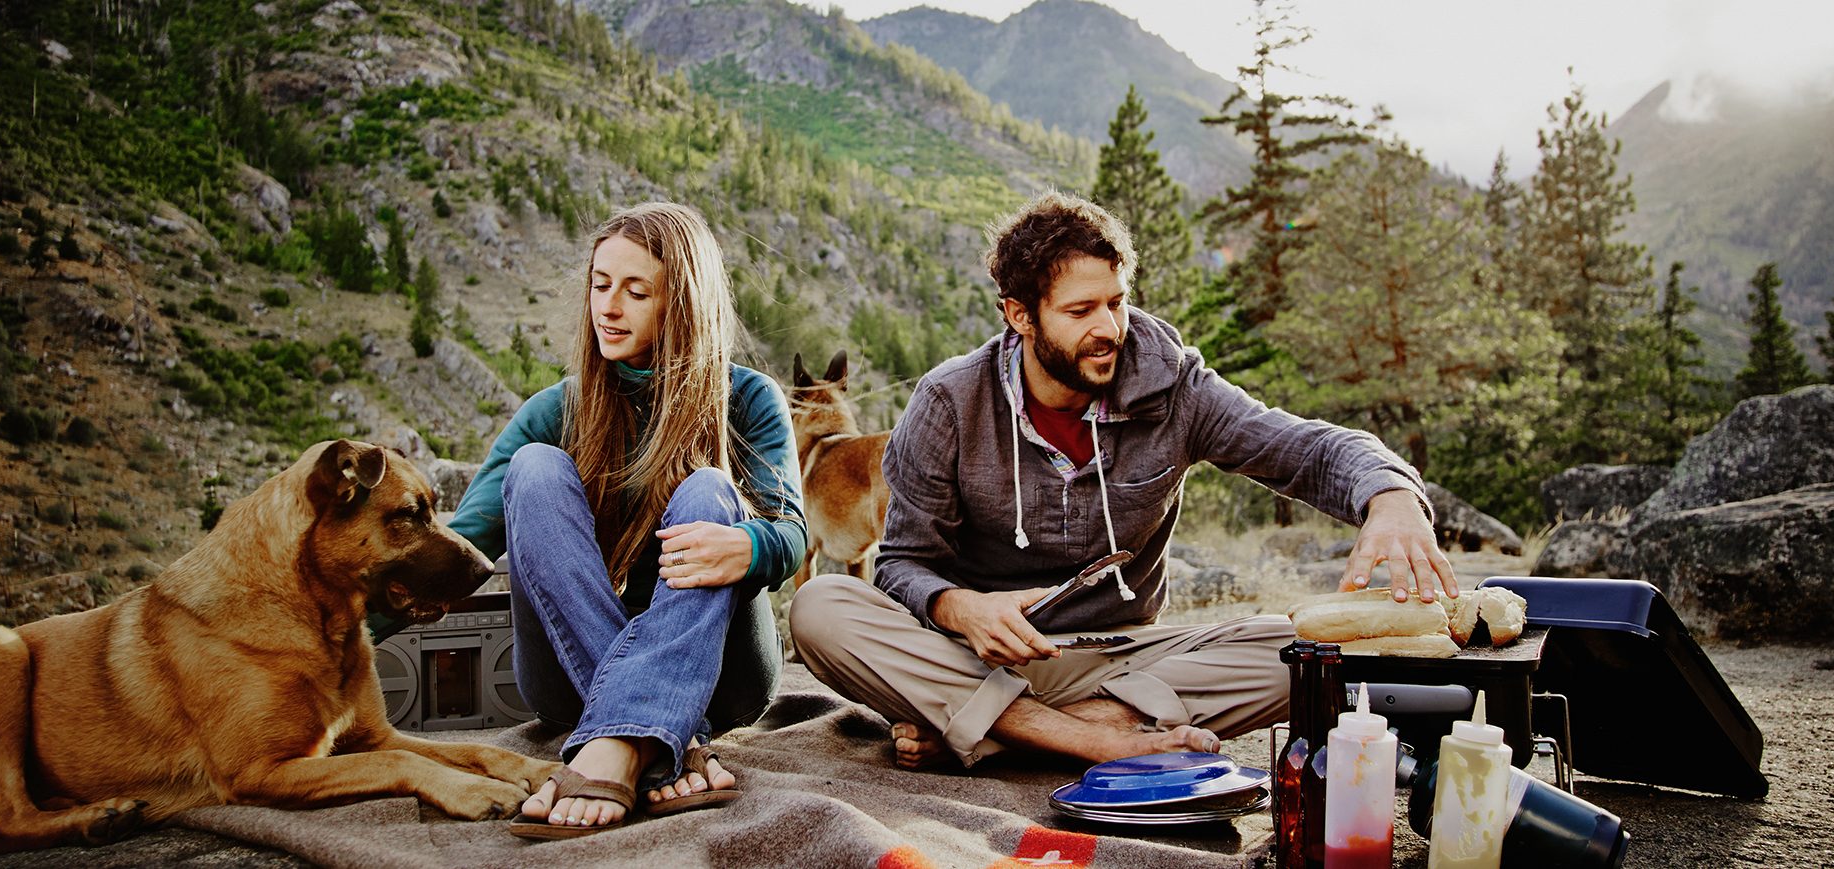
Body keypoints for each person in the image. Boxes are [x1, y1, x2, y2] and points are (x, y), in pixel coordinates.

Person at [792, 191, 1453, 770]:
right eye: (1081, 311)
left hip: (1127, 658)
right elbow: (904, 564)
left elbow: (1310, 450)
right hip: (979, 656)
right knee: (820, 608)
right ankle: (1085, 736)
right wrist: (958, 606)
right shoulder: (947, 404)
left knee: (1307, 650)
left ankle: (1017, 732)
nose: (1108, 328)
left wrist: (1391, 496)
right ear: (1019, 315)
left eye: (1117, 302)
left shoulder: (1176, 388)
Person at [439, 202, 806, 837]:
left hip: (722, 679)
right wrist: (321, 637)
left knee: (709, 489)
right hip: (567, 683)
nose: (608, 307)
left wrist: (746, 546)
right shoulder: (558, 410)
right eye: (600, 285)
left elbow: (793, 536)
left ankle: (615, 747)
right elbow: (455, 551)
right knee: (532, 469)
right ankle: (668, 742)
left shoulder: (747, 399)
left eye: (636, 291)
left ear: (681, 304)